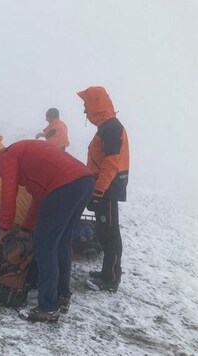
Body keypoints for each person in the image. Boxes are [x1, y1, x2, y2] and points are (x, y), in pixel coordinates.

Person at [0, 140, 93, 322]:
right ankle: (61, 295)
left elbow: (8, 194)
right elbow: (39, 199)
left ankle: (48, 307)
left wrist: (4, 228)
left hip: (65, 184)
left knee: (45, 246)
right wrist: (26, 229)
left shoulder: (7, 157)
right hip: (84, 180)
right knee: (61, 241)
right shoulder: (29, 156)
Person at [77, 86, 129, 292]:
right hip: (104, 187)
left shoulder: (111, 128)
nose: (84, 110)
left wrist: (98, 191)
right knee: (104, 230)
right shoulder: (107, 127)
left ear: (95, 104)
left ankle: (110, 278)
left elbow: (111, 163)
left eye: (86, 105)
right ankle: (108, 271)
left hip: (107, 188)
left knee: (110, 233)